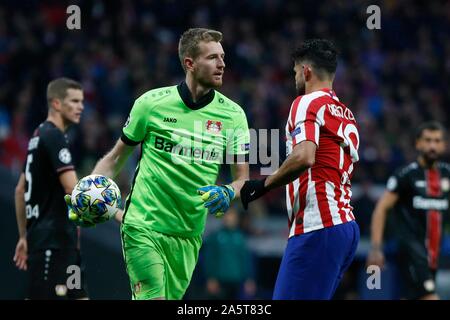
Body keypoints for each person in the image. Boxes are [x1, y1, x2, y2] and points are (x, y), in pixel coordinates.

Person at [68, 28, 250, 300]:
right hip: (143, 226)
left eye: (222, 57)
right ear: (190, 63)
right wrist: (89, 190)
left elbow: (242, 180)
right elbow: (117, 156)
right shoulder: (151, 104)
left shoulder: (234, 116)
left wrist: (228, 191)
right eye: (213, 58)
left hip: (188, 236)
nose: (222, 64)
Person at [238, 39, 361, 299]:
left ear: (306, 71)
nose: (294, 77)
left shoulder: (306, 103)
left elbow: (305, 157)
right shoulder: (345, 114)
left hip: (319, 225)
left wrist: (262, 185)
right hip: (344, 226)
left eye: (295, 71)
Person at [13, 78, 88, 299]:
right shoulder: (54, 136)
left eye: (82, 101)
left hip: (64, 245)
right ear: (56, 103)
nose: (81, 107)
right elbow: (71, 188)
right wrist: (109, 209)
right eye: (74, 101)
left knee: (79, 297)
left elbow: (19, 189)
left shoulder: (37, 136)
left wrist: (23, 236)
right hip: (53, 244)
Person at [367, 121, 449, 300]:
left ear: (444, 145)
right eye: (427, 140)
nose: (432, 146)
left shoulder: (447, 175)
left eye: (437, 141)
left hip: (434, 255)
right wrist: (375, 248)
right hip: (410, 252)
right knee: (430, 297)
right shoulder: (405, 175)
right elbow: (381, 209)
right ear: (418, 143)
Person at [203, 207, 256, 299]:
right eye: (227, 215)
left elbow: (245, 259)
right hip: (220, 280)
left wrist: (249, 279)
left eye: (232, 215)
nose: (229, 218)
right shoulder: (216, 236)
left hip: (237, 281)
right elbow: (209, 258)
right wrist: (211, 277)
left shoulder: (241, 237)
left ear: (237, 218)